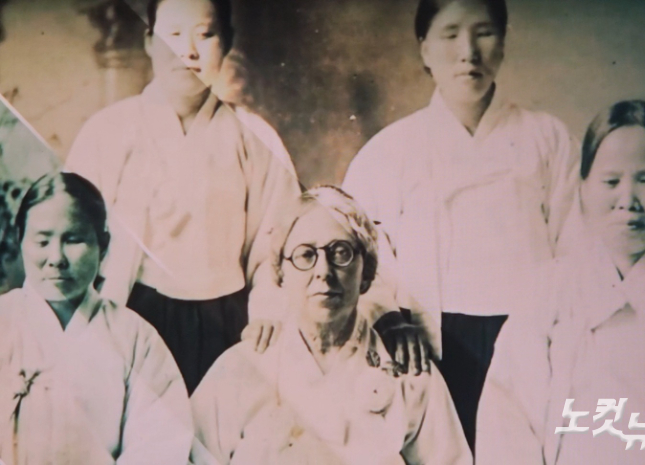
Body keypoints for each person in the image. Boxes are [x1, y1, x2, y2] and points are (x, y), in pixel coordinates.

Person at [342, 0, 579, 451]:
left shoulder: (548, 139)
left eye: (484, 32)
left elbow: (578, 246)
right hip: (428, 343)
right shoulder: (389, 150)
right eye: (450, 34)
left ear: (503, 42)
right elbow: (357, 252)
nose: (468, 51)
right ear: (425, 49)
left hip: (528, 339)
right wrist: (388, 317)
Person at [64, 0, 301, 394]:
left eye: (205, 35)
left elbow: (277, 242)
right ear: (149, 41)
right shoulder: (108, 130)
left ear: (227, 42)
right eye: (172, 35)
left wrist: (267, 310)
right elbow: (70, 231)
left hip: (228, 318)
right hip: (132, 308)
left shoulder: (254, 137)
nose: (187, 51)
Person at [476, 100, 645, 465]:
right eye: (611, 182)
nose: (628, 200)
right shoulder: (550, 286)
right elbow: (508, 411)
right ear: (583, 189)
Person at [190, 186, 471, 465]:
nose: (323, 271)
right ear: (281, 273)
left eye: (340, 253)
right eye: (305, 255)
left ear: (366, 273)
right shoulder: (240, 368)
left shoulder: (409, 375)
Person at [0, 172, 192, 464]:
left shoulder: (134, 337)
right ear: (20, 240)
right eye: (42, 241)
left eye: (73, 240)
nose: (56, 258)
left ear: (103, 245)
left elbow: (160, 440)